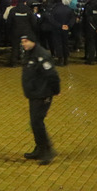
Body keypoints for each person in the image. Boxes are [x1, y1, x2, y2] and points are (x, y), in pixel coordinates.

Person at [19, 35, 60, 165]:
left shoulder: (42, 55)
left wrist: (54, 91)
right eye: (22, 42)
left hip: (43, 94)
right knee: (34, 122)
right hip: (34, 94)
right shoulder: (29, 53)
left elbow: (52, 75)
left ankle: (47, 150)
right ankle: (39, 148)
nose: (23, 44)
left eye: (26, 41)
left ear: (33, 41)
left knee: (37, 122)